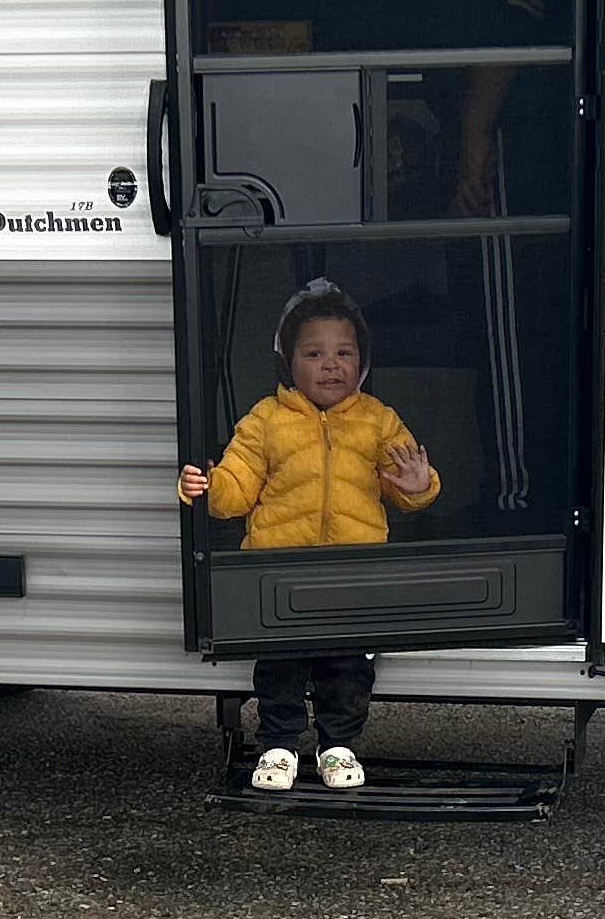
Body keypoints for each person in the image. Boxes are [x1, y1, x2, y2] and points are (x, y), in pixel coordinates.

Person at [179, 281, 437, 790]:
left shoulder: (378, 421)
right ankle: (278, 745)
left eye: (344, 352)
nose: (331, 364)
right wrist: (207, 487)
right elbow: (238, 487)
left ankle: (337, 745)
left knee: (348, 666)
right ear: (288, 363)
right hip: (281, 570)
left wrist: (420, 485)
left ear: (362, 362)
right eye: (313, 353)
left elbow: (410, 485)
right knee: (280, 665)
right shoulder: (266, 420)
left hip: (353, 570)